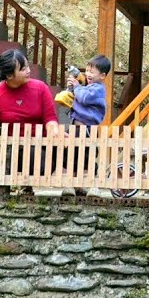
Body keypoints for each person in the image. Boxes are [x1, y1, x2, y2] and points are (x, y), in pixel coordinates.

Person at [0, 49, 59, 195]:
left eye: (28, 66)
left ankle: (78, 186)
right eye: (23, 69)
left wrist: (54, 131)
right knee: (35, 157)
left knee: (75, 141)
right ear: (9, 75)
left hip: (44, 142)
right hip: (19, 149)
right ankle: (25, 184)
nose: (28, 71)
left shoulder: (40, 88)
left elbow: (50, 118)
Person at [66, 55, 110, 196]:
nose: (88, 74)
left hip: (87, 129)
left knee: (87, 156)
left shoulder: (98, 89)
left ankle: (92, 185)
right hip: (76, 127)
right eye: (87, 71)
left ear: (102, 75)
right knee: (73, 155)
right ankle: (73, 185)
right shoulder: (88, 87)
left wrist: (77, 87)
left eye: (92, 72)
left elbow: (84, 98)